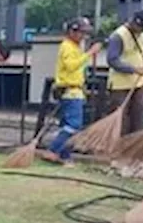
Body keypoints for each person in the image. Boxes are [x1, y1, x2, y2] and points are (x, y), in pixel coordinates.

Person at [40, 18, 102, 166]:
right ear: (72, 31)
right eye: (81, 33)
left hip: (75, 90)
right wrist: (89, 53)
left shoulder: (75, 47)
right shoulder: (67, 47)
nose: (84, 37)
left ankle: (64, 155)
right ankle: (53, 149)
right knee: (74, 124)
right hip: (70, 91)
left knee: (66, 125)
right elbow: (71, 66)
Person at [104, 11, 143, 135]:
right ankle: (119, 144)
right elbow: (112, 60)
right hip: (120, 83)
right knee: (121, 117)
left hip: (141, 82)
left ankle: (135, 143)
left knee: (140, 113)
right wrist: (133, 69)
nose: (142, 31)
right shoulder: (118, 36)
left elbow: (142, 49)